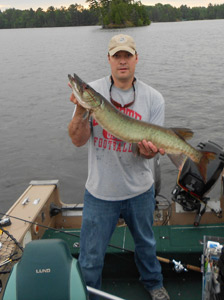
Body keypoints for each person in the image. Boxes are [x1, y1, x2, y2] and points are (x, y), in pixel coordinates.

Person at [68, 34, 170, 300]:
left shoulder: (154, 98)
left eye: (127, 56)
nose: (122, 61)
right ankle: (89, 292)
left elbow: (146, 153)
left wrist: (147, 151)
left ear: (136, 58)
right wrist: (80, 110)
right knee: (90, 256)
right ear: (109, 60)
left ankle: (154, 283)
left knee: (147, 246)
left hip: (140, 191)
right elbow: (78, 140)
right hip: (100, 193)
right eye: (117, 56)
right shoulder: (93, 93)